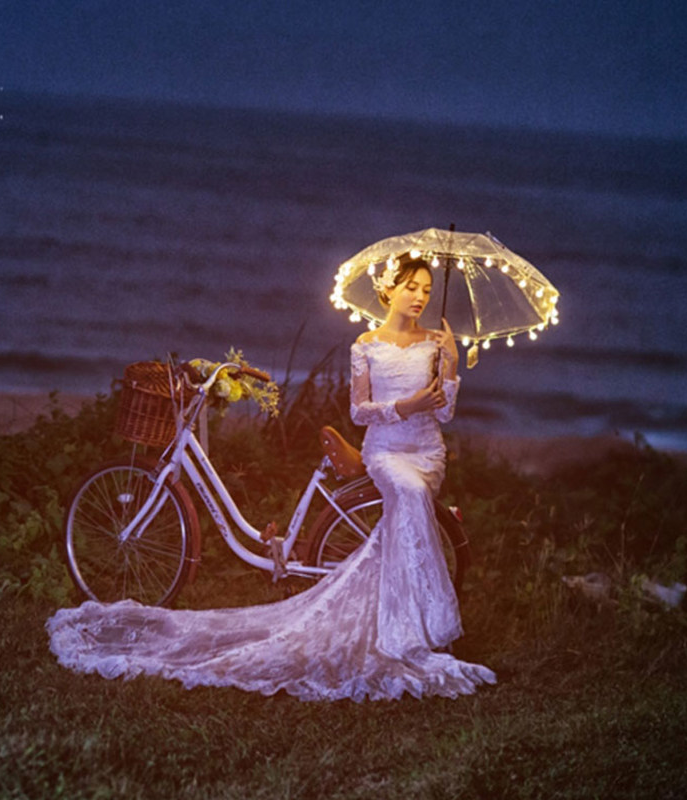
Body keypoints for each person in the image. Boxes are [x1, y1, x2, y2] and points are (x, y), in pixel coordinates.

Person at [46, 258, 496, 701]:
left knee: (414, 493)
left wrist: (451, 365)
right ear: (388, 289)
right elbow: (360, 412)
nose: (420, 297)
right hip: (385, 450)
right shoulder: (366, 344)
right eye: (411, 287)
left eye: (426, 289)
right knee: (408, 493)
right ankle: (422, 626)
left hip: (426, 451)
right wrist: (406, 406)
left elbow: (444, 413)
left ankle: (416, 628)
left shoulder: (435, 344)